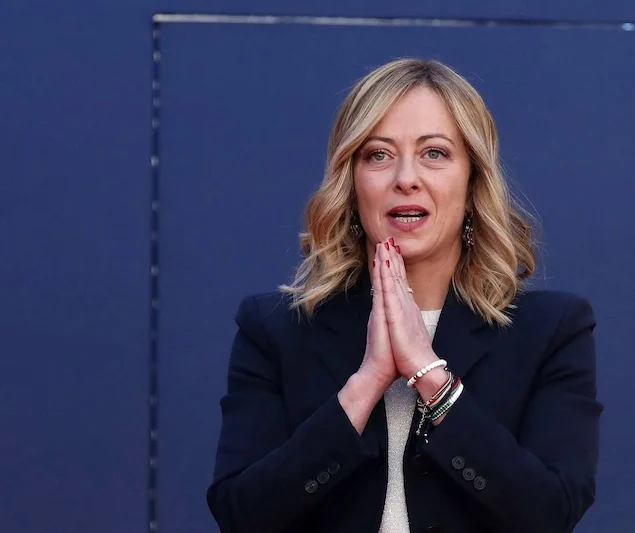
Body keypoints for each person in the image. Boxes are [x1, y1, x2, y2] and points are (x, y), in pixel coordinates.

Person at [206, 57, 603, 533]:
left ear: (472, 182)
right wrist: (367, 383)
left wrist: (431, 377)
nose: (406, 178)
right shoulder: (274, 329)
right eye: (378, 154)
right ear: (351, 183)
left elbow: (551, 512)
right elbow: (241, 515)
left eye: (434, 153)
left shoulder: (551, 329)